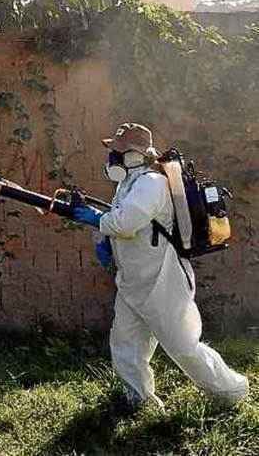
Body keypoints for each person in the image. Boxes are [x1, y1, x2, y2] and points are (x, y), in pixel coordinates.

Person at [72, 122, 249, 411]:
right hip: (133, 280)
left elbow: (125, 223)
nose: (112, 159)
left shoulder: (151, 183)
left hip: (163, 282)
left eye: (117, 153)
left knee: (183, 347)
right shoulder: (127, 184)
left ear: (133, 155)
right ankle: (139, 400)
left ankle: (232, 392)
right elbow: (121, 221)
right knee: (126, 344)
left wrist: (96, 220)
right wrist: (104, 239)